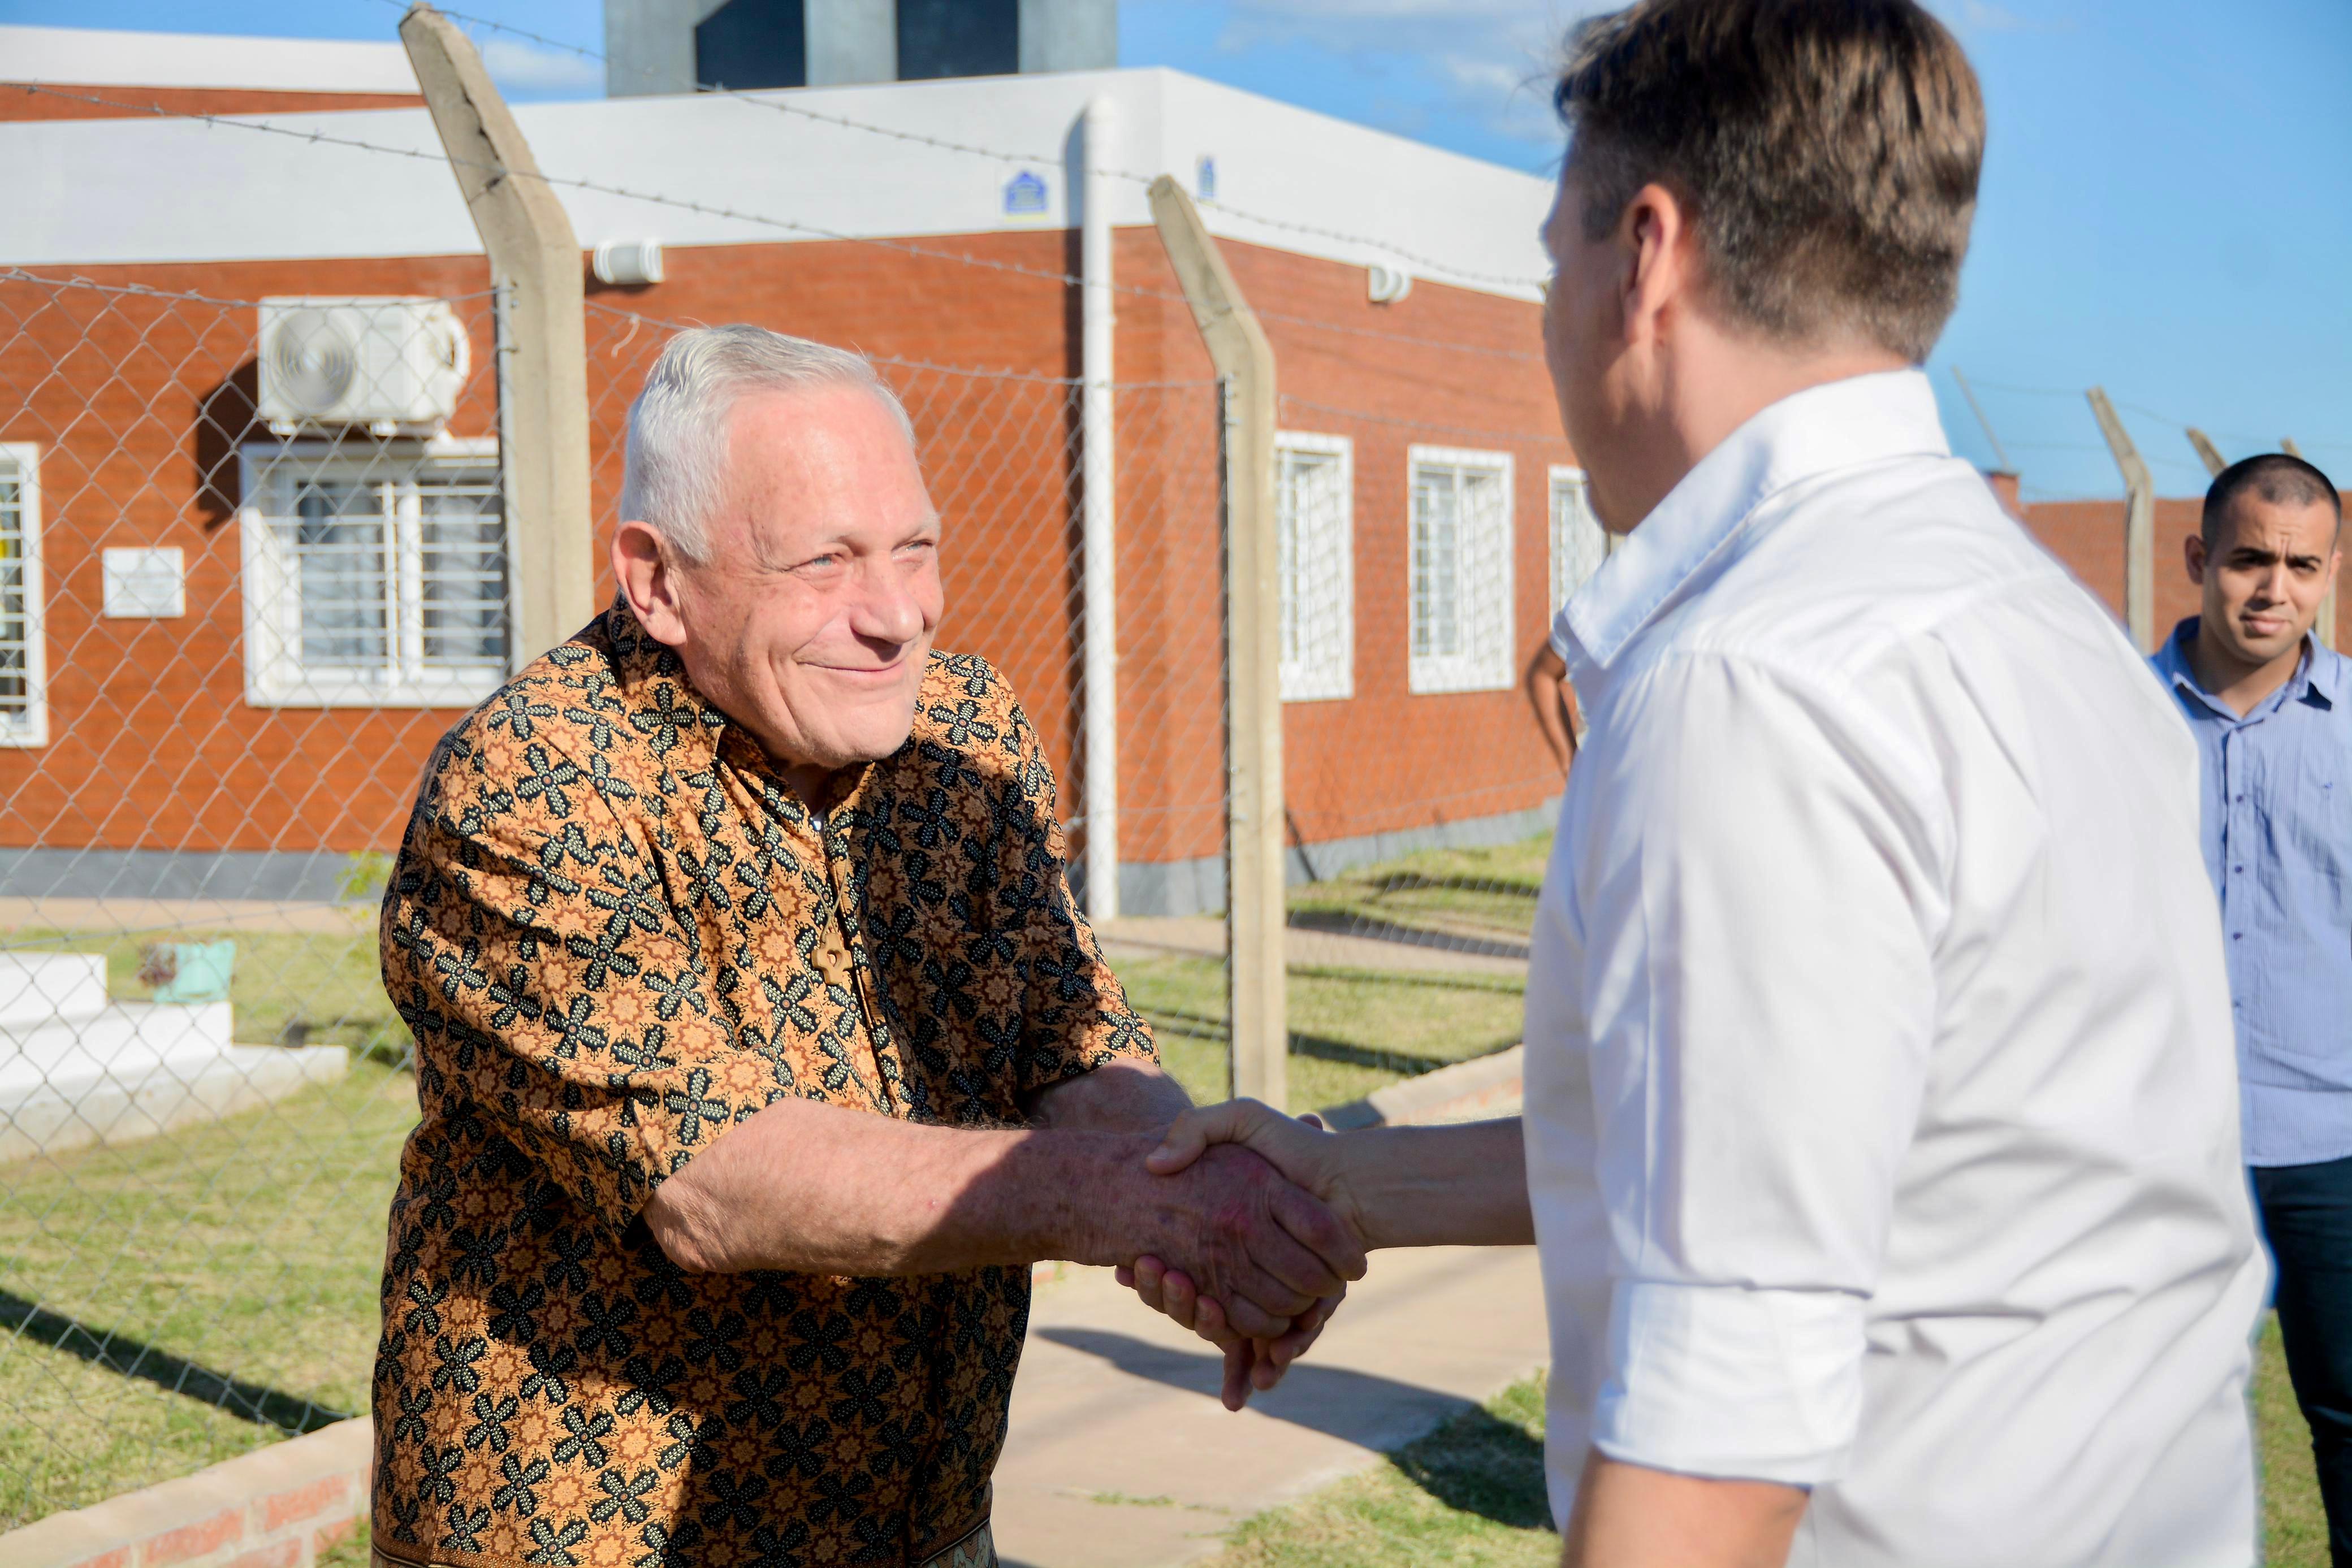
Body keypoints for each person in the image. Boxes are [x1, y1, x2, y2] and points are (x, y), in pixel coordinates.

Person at [1129, 2, 2267, 1564]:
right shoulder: (2050, 635)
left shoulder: (1756, 683)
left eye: (1552, 262)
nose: (1548, 316)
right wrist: (1342, 1176)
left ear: (1646, 256)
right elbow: (1811, 1136)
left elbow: (1720, 1441)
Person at [368, 326, 1360, 1568]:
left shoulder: (964, 731)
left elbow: (1065, 1029)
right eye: (825, 561)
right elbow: (717, 1177)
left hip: (924, 1520)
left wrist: (1206, 1206)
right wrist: (1142, 1208)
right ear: (659, 582)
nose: (898, 614)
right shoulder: (532, 787)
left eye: (913, 546)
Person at [2150, 453, 2352, 1564]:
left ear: (2328, 573)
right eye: (2247, 559)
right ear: (2199, 560)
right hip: (2152, 1149)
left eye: (2300, 565)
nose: (2272, 588)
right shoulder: (2110, 725)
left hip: (2334, 1147)